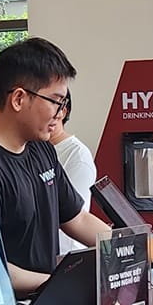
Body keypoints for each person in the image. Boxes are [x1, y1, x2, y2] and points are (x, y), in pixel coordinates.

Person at [0, 37, 111, 294]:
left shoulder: (42, 150)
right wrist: (59, 285)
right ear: (19, 99)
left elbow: (77, 219)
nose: (60, 113)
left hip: (46, 301)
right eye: (56, 101)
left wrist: (127, 249)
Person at [51, 105, 98, 253]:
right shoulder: (39, 150)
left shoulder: (77, 155)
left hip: (65, 253)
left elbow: (75, 216)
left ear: (63, 112)